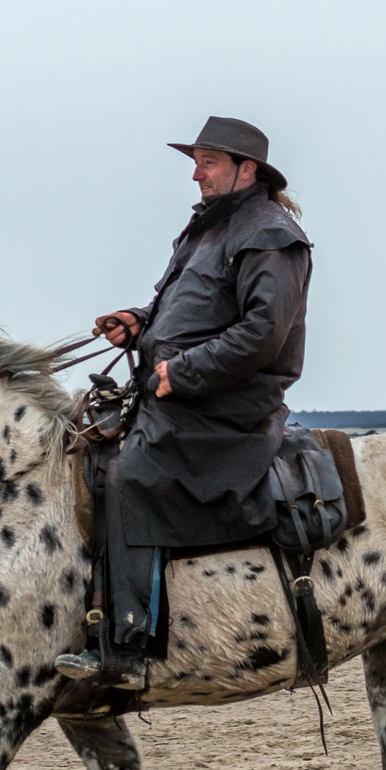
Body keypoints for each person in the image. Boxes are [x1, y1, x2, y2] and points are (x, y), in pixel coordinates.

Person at [59, 116, 311, 689]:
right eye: (195, 162)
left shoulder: (271, 235)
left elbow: (263, 332)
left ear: (247, 170)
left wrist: (186, 371)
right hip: (179, 393)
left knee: (128, 474)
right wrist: (139, 323)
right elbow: (189, 311)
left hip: (227, 407)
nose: (196, 175)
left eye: (208, 163)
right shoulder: (205, 231)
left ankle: (128, 643)